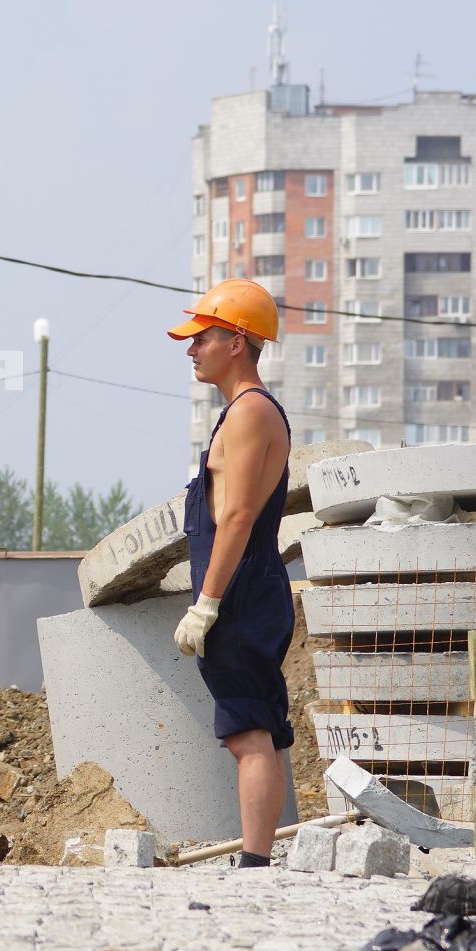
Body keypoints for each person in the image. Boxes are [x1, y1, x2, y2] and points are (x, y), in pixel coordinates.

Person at [167, 279, 295, 868]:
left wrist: (209, 602)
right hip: (247, 586)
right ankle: (257, 856)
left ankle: (255, 863)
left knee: (247, 731)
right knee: (251, 726)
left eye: (202, 338)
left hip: (242, 590)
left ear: (237, 342)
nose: (191, 350)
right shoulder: (242, 412)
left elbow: (239, 515)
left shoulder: (249, 413)